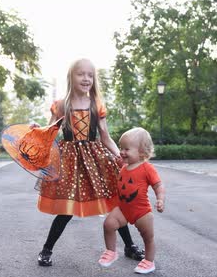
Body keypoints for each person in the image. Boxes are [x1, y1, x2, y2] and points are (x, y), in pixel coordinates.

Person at [36, 58, 144, 266]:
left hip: (95, 161)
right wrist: (36, 130)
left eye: (90, 75)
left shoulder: (96, 105)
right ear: (71, 77)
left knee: (112, 204)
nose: (86, 78)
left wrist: (119, 155)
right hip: (68, 162)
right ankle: (46, 249)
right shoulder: (61, 105)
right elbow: (48, 133)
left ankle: (129, 247)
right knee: (66, 209)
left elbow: (105, 136)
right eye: (81, 74)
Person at [97, 127, 165, 274]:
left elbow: (158, 185)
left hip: (141, 211)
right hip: (123, 209)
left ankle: (149, 261)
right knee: (108, 224)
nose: (122, 152)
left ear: (142, 152)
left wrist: (160, 199)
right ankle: (111, 251)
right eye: (121, 148)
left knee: (148, 238)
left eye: (126, 149)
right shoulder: (124, 166)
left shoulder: (147, 168)